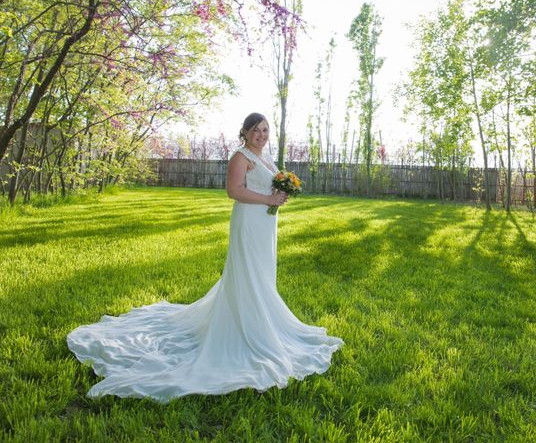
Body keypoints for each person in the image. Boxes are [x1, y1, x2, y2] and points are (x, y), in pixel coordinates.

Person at [67, 112, 343, 402]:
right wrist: (268, 199)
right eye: (256, 130)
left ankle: (264, 318)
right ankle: (249, 324)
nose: (261, 134)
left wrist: (278, 192)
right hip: (248, 221)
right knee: (247, 271)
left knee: (262, 273)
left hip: (265, 224)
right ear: (246, 132)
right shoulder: (241, 156)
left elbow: (264, 185)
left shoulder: (265, 156)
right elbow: (233, 191)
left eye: (265, 130)